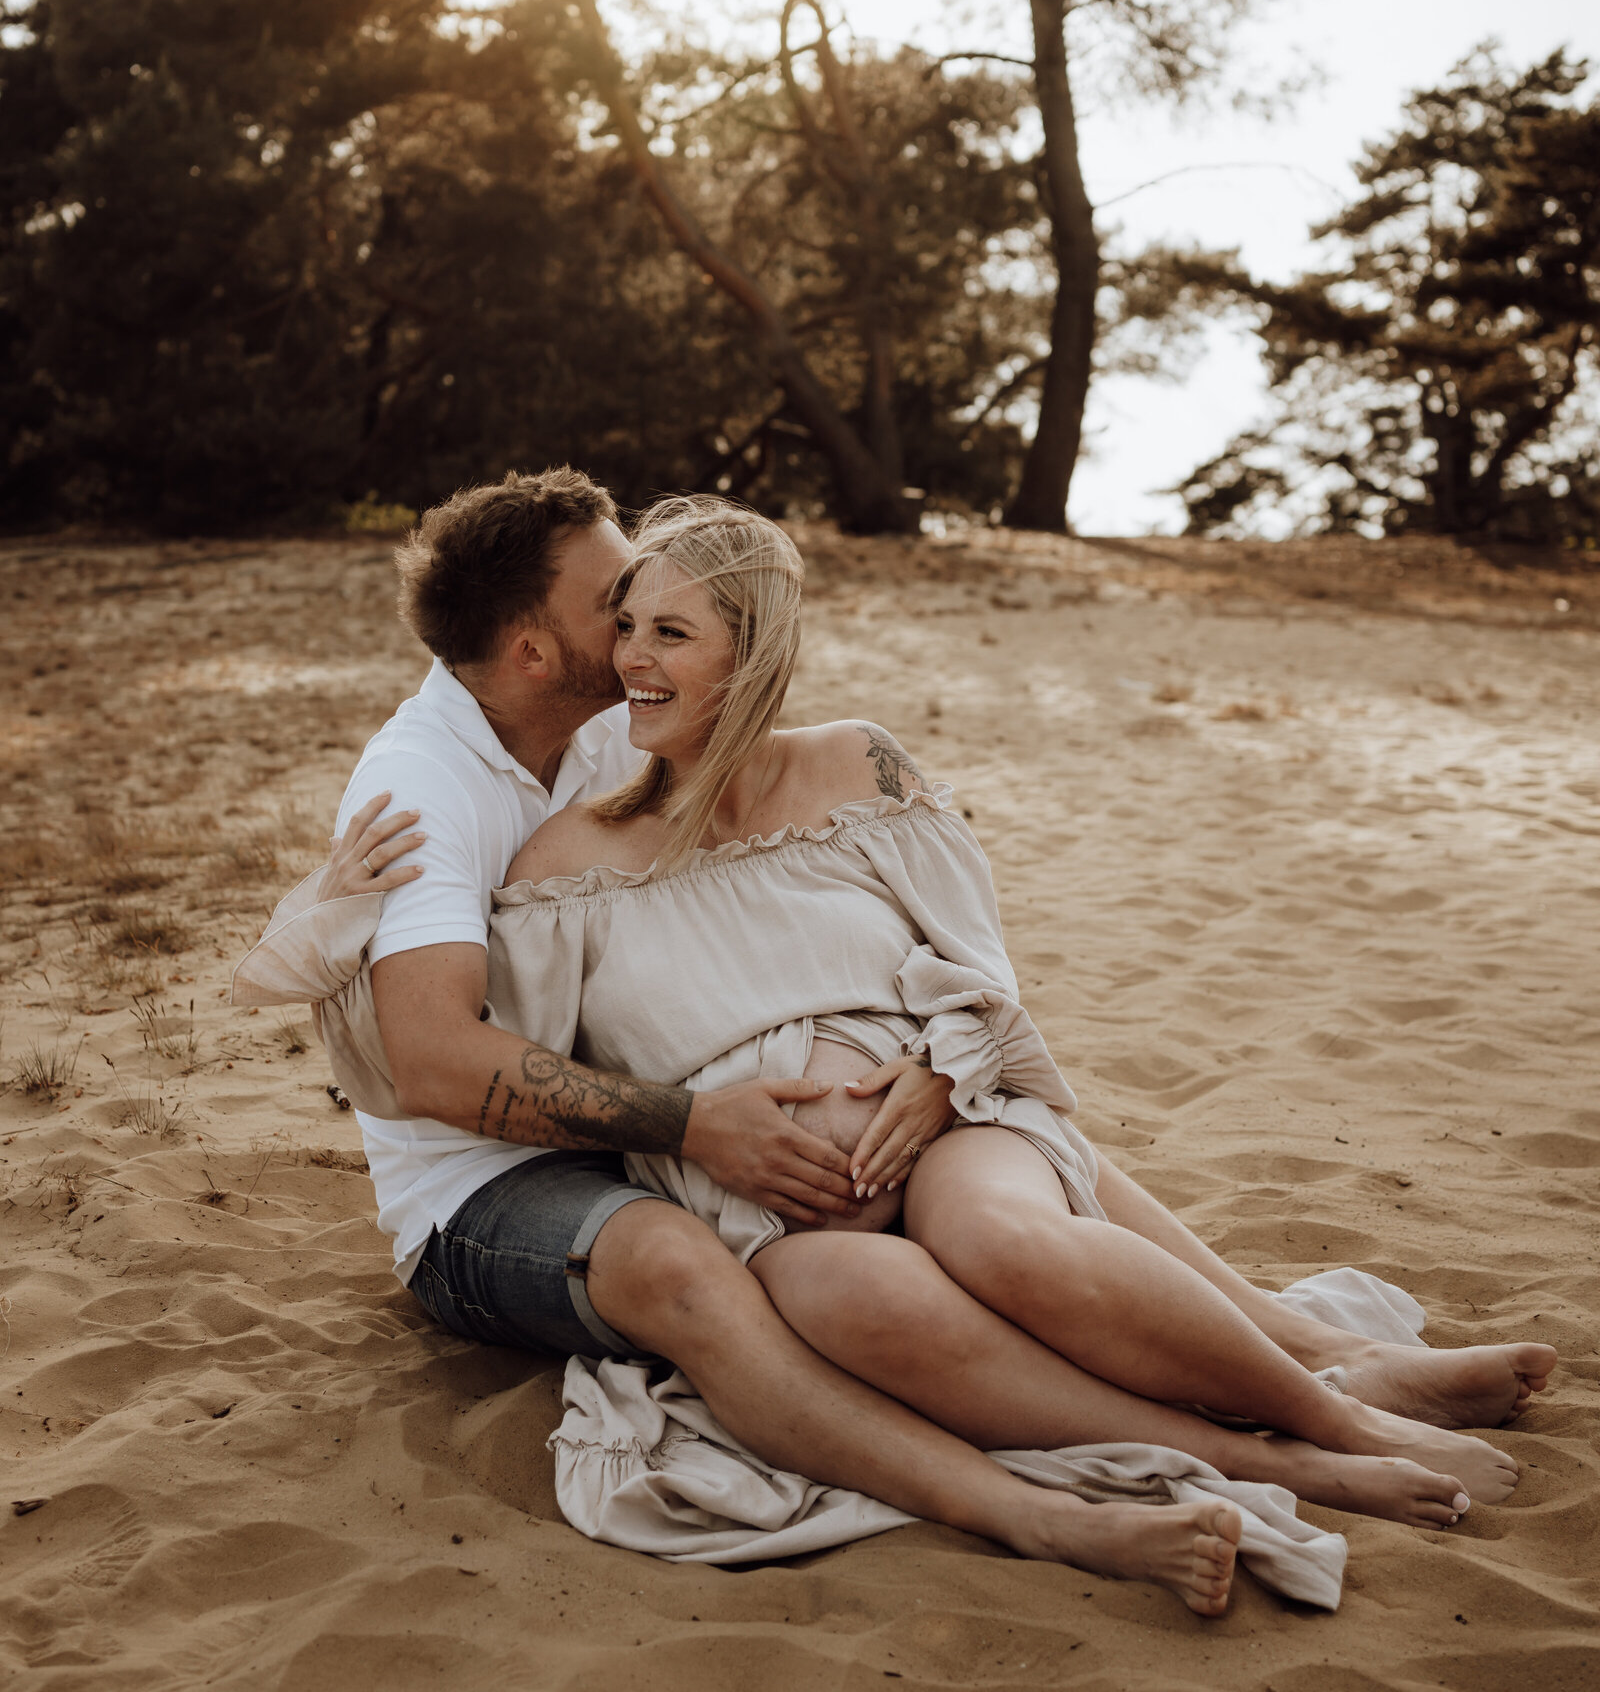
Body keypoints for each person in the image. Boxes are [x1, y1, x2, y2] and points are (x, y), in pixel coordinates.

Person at [482, 496, 1553, 1534]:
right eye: (626, 627)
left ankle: (1343, 1411)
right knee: (861, 1304)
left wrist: (944, 1072)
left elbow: (980, 965)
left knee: (1001, 1236)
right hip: (769, 1216)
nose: (631, 658)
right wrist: (687, 1121)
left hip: (946, 1123)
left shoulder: (858, 766)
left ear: (752, 652)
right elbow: (516, 1081)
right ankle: (1270, 1456)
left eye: (670, 632)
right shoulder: (568, 863)